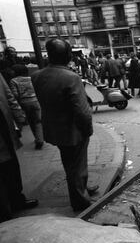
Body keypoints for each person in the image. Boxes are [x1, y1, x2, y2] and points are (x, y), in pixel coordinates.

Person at [32, 39, 97, 212]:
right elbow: (82, 111)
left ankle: (80, 188)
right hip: (73, 131)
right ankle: (80, 200)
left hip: (54, 129)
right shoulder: (71, 77)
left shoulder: (37, 76)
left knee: (69, 163)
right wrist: (88, 130)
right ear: (68, 55)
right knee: (77, 165)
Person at [0, 73, 38, 223]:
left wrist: (18, 116)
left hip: (3, 128)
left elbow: (9, 96)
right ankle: (4, 211)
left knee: (11, 167)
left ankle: (16, 200)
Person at [9, 64, 44, 149]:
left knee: (30, 120)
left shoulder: (13, 81)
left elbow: (15, 94)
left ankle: (36, 137)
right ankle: (40, 139)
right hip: (35, 101)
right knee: (38, 121)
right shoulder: (31, 78)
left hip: (24, 103)